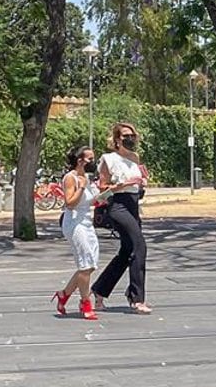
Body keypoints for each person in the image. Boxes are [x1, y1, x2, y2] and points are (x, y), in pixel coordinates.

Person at [93, 122, 151, 313]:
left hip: (133, 204)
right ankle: (137, 298)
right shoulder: (108, 159)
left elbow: (138, 184)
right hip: (117, 205)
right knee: (139, 246)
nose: (131, 139)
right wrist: (122, 184)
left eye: (133, 136)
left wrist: (142, 182)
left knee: (126, 252)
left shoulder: (135, 158)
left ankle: (100, 290)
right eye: (126, 135)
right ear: (117, 139)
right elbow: (101, 187)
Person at [54, 141, 101, 320]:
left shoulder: (88, 178)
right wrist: (81, 187)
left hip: (87, 222)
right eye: (90, 158)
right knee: (85, 263)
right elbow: (70, 203)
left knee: (90, 265)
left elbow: (91, 200)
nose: (93, 162)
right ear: (80, 160)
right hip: (75, 224)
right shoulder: (71, 178)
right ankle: (85, 302)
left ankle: (64, 294)